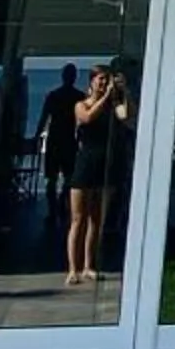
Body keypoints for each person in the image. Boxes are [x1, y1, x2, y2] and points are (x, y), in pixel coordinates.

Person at [66, 61, 130, 286]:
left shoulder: (113, 105)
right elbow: (88, 118)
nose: (104, 83)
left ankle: (89, 265)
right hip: (85, 164)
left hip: (105, 164)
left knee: (96, 220)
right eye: (100, 79)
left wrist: (123, 93)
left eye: (107, 79)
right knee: (78, 219)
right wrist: (105, 97)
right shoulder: (80, 104)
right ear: (92, 81)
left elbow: (125, 116)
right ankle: (73, 268)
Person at [38, 66, 83, 282]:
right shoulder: (78, 96)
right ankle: (60, 206)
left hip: (58, 140)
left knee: (53, 178)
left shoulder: (54, 96)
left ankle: (54, 209)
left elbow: (43, 117)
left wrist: (37, 136)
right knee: (65, 179)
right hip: (66, 141)